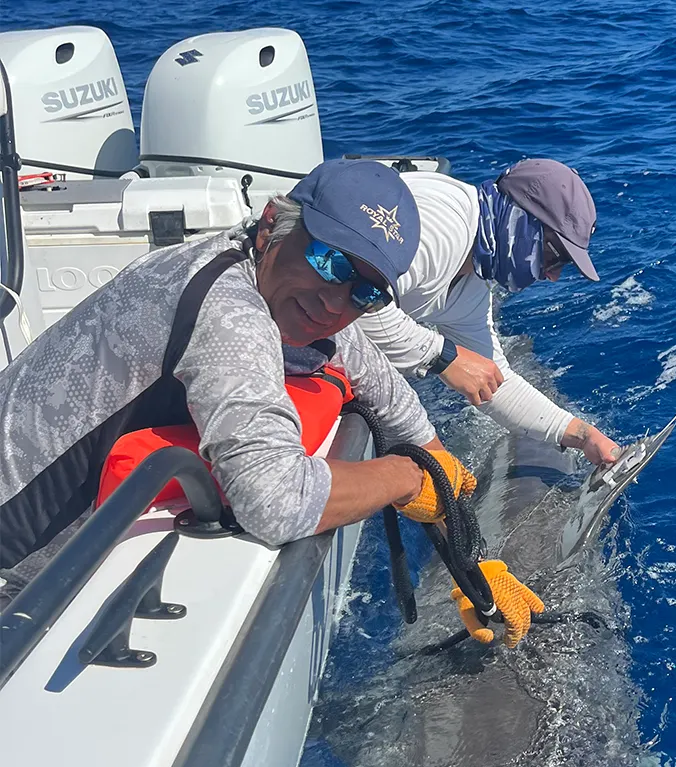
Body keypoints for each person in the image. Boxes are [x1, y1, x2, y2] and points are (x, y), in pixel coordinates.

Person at [0, 160, 441, 578]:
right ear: (272, 222)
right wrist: (406, 477)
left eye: (366, 294)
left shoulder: (262, 269)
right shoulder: (228, 311)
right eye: (329, 261)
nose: (335, 303)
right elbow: (275, 502)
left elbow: (383, 386)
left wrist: (454, 510)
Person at [356, 158, 623, 467]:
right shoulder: (440, 228)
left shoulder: (470, 285)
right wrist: (444, 357)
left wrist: (584, 435)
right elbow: (353, 303)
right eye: (557, 257)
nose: (553, 277)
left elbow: (496, 384)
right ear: (524, 222)